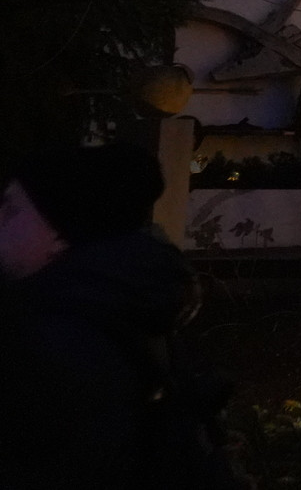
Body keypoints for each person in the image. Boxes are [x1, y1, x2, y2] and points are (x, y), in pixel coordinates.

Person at [0, 144, 233, 489]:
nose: (0, 219)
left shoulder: (54, 344)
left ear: (61, 234)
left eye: (12, 210)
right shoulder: (115, 309)